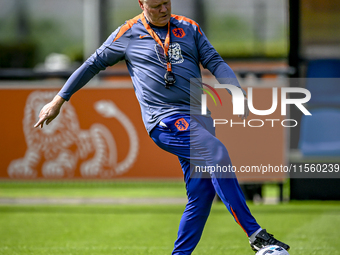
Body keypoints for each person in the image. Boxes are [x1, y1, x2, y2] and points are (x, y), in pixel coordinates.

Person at [34, 0, 290, 254]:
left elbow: (215, 61)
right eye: (156, 5)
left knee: (201, 196)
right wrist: (59, 100)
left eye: (167, 3)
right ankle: (256, 235)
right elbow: (92, 64)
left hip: (200, 120)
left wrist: (235, 91)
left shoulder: (189, 28)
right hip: (165, 120)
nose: (164, 10)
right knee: (216, 153)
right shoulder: (127, 33)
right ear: (141, 4)